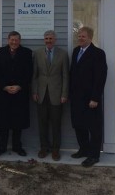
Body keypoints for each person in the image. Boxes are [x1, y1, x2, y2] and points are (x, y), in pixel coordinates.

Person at [69, 26, 107, 167]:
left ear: (90, 38)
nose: (80, 38)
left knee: (94, 127)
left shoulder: (98, 53)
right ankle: (83, 149)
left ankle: (94, 155)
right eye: (79, 36)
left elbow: (100, 77)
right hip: (76, 97)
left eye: (83, 36)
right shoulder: (75, 51)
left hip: (90, 99)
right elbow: (72, 73)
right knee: (79, 125)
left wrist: (95, 98)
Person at [0, 31, 33, 158]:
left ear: (20, 41)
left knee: (18, 121)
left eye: (16, 40)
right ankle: (1, 147)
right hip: (4, 92)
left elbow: (29, 72)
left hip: (20, 92)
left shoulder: (27, 52)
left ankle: (17, 147)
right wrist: (4, 86)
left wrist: (19, 86)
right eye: (12, 40)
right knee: (3, 121)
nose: (14, 42)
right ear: (8, 40)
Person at [32, 30, 69, 161]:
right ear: (44, 40)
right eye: (46, 38)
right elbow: (34, 75)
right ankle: (44, 148)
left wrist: (64, 93)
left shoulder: (63, 54)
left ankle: (55, 150)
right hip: (41, 95)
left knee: (56, 124)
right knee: (42, 124)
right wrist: (35, 91)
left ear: (55, 40)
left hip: (57, 95)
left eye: (51, 38)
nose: (48, 40)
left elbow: (65, 76)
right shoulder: (37, 53)